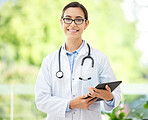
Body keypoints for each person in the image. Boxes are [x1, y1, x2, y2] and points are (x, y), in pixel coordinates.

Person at [35, 1, 121, 120]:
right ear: (61, 22)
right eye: (68, 19)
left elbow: (116, 95)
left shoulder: (100, 58)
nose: (73, 24)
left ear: (86, 24)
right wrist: (71, 104)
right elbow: (41, 100)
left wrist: (108, 97)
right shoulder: (49, 61)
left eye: (79, 20)